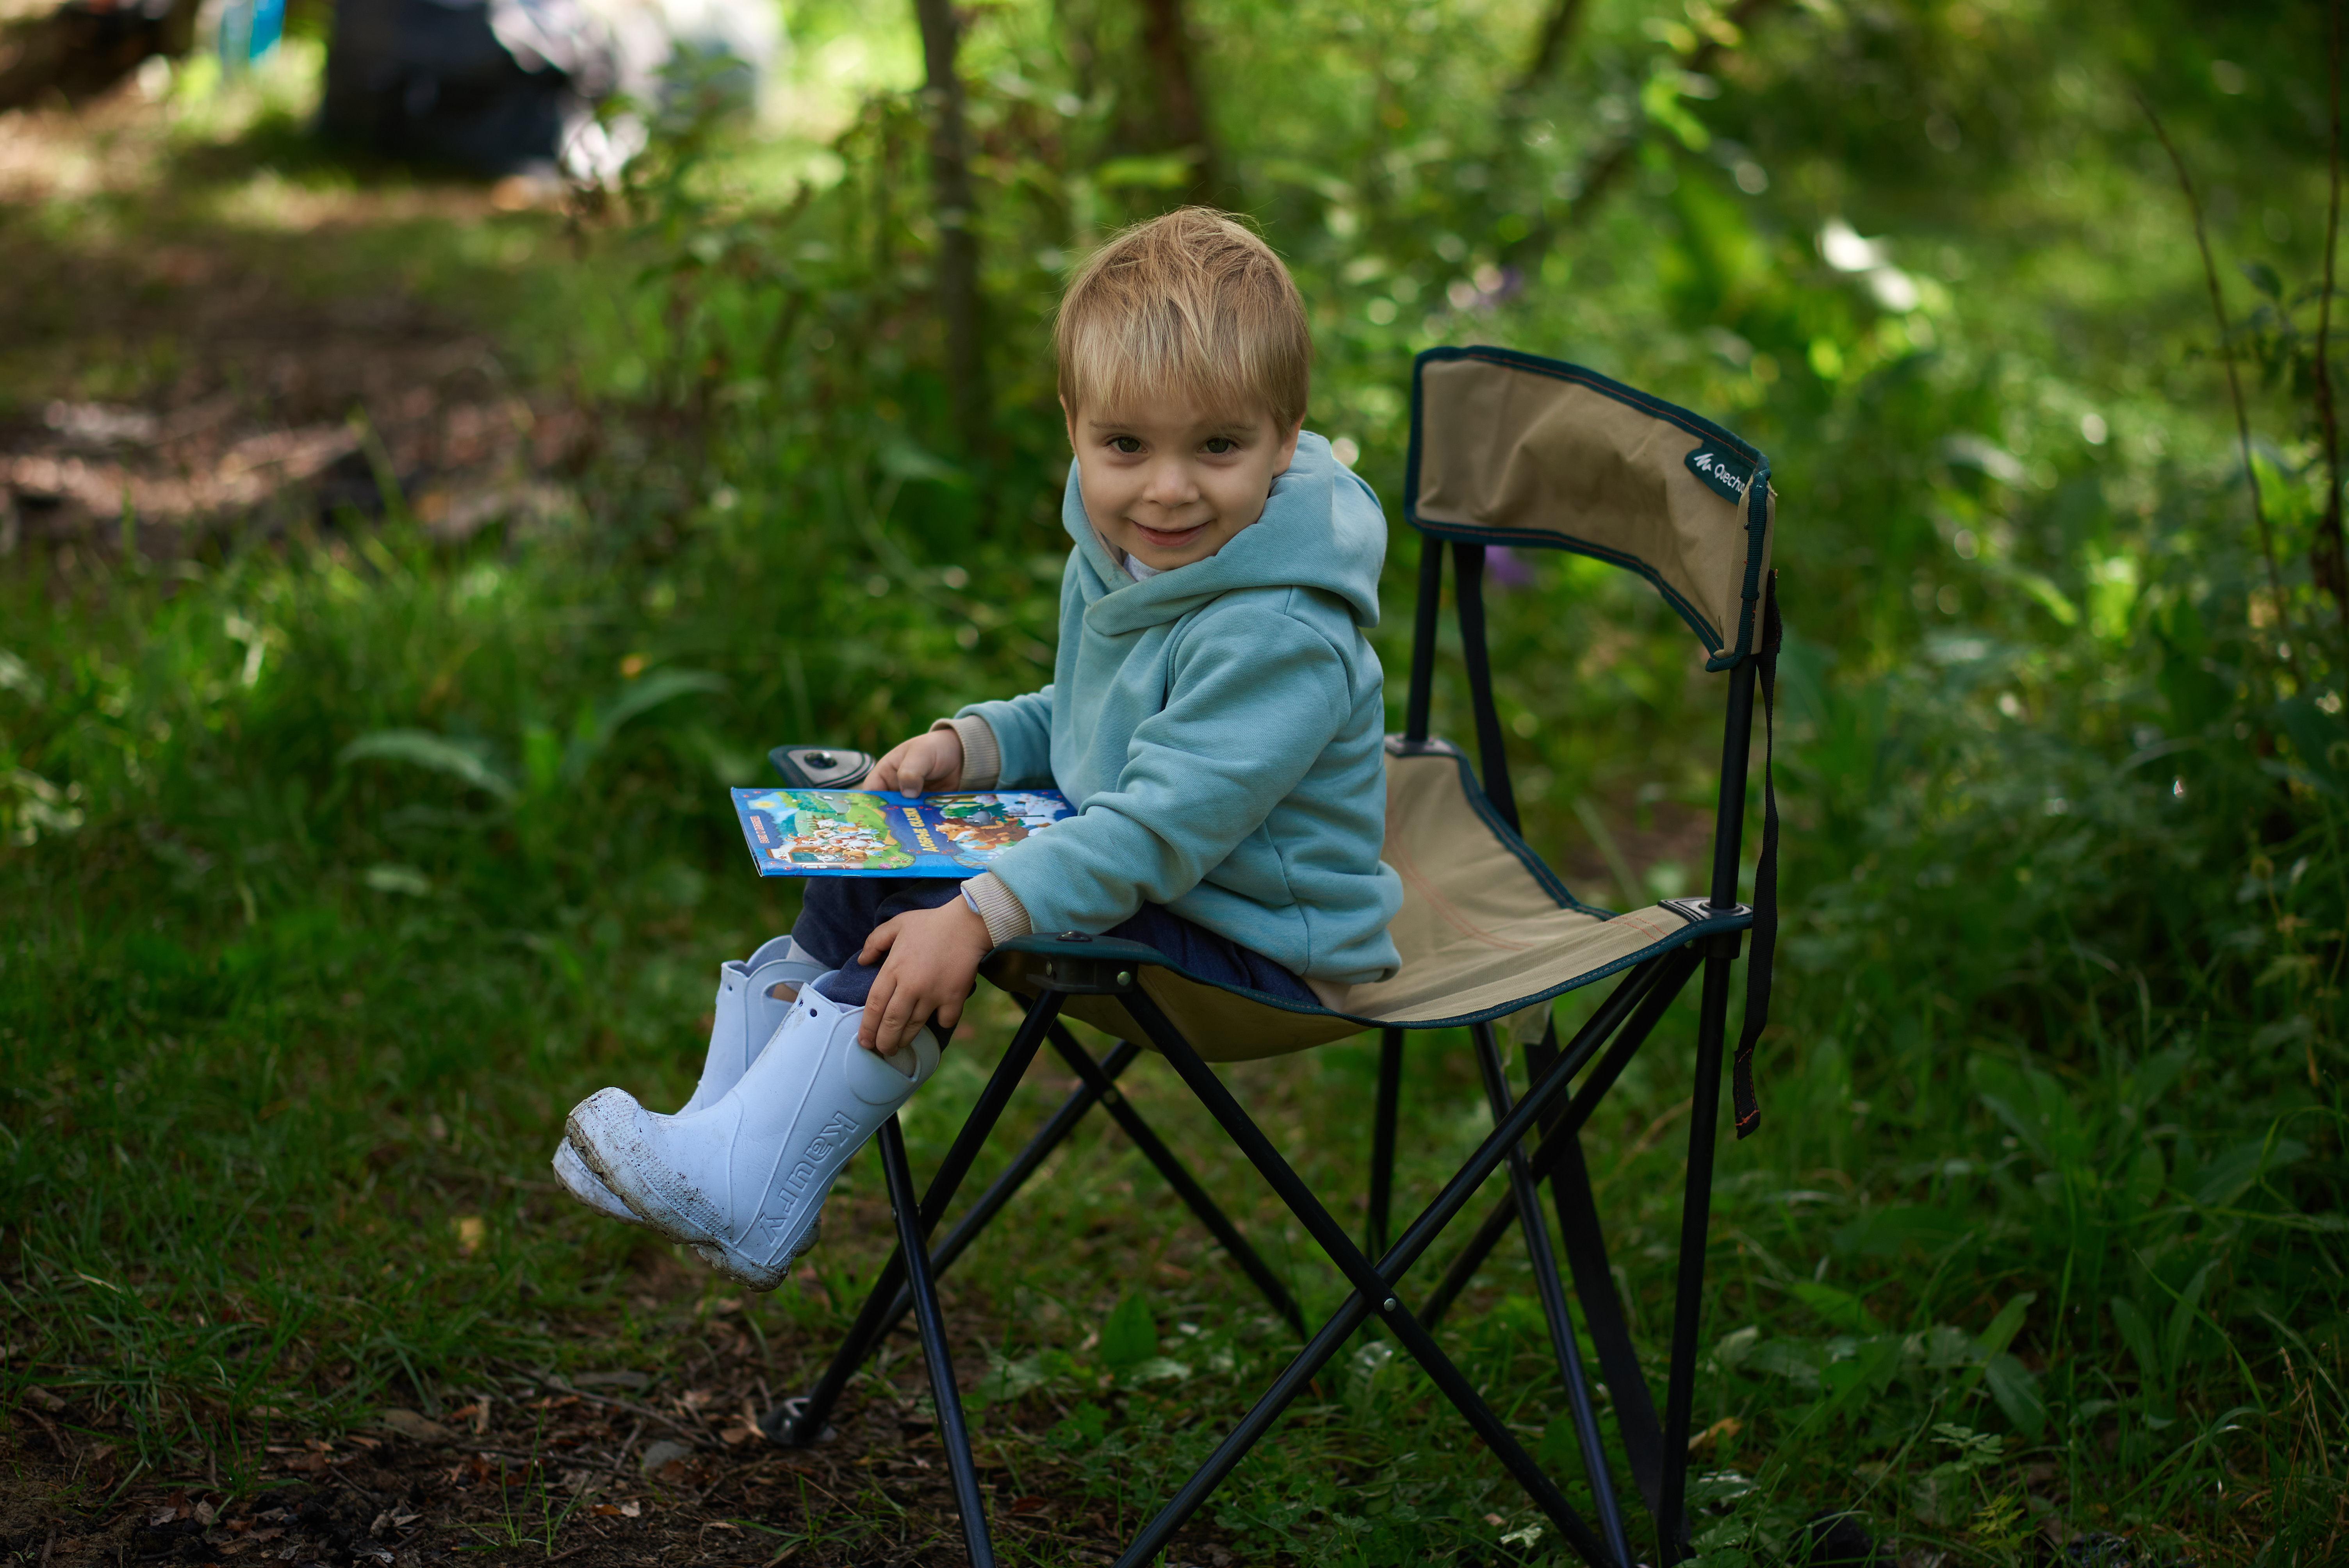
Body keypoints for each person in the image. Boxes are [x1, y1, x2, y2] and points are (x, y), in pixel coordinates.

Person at [556, 208, 1403, 1290]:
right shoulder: (1128, 550)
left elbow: (1152, 829)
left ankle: (744, 1172)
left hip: (1262, 945)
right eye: (1126, 446)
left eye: (1221, 447)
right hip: (1161, 877)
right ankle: (730, 1138)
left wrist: (978, 912)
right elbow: (1093, 718)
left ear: (1286, 440)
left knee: (934, 901)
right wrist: (975, 745)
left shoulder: (1278, 629)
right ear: (1075, 426)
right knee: (874, 849)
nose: (1169, 489)